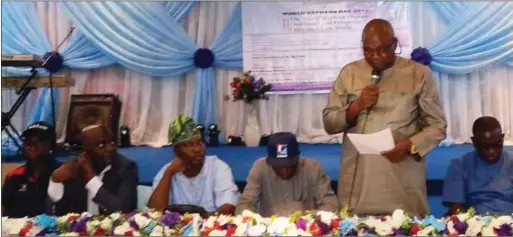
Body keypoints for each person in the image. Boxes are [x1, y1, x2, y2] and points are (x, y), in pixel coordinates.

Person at [322, 19, 447, 217]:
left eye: (382, 50)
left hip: (401, 174)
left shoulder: (418, 74)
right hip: (358, 176)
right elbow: (329, 122)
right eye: (368, 51)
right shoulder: (350, 74)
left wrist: (409, 146)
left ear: (395, 44)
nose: (375, 57)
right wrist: (356, 106)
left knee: (405, 226)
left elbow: (437, 126)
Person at [147, 115, 239, 216]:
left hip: (211, 228)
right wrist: (168, 174)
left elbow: (229, 206)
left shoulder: (218, 167)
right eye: (188, 145)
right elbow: (154, 213)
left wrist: (203, 220)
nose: (197, 149)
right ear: (176, 150)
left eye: (199, 143)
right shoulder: (166, 173)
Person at [235, 132, 339, 217]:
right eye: (279, 166)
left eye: (289, 165)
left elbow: (330, 204)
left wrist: (314, 221)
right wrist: (249, 219)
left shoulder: (313, 169)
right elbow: (245, 203)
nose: (285, 171)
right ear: (270, 162)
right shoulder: (260, 168)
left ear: (297, 159)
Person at [47, 124, 138, 215]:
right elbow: (55, 213)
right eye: (101, 145)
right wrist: (55, 181)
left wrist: (92, 180)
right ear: (86, 150)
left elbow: (124, 211)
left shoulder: (126, 168)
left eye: (112, 142)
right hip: (78, 228)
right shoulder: (74, 169)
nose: (110, 148)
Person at [442, 116, 513, 216]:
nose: (491, 151)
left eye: (496, 144)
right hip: (474, 223)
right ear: (474, 142)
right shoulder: (460, 165)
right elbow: (456, 207)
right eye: (485, 146)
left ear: (502, 138)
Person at [2, 122, 60, 218]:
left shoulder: (61, 174)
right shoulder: (14, 176)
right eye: (28, 140)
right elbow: (5, 209)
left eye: (38, 140)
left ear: (50, 145)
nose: (31, 145)